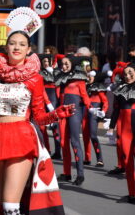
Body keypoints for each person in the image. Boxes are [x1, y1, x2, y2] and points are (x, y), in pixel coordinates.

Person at [0, 29, 74, 214]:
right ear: (6, 47)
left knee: (10, 204)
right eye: (13, 43)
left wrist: (56, 114)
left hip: (20, 138)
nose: (17, 47)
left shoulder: (35, 78)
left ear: (28, 49)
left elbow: (38, 117)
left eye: (22, 44)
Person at [55, 55, 91, 186]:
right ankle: (67, 173)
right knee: (63, 142)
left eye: (66, 64)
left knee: (75, 142)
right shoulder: (60, 79)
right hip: (62, 113)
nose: (63, 67)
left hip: (75, 113)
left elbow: (85, 96)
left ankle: (80, 174)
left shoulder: (79, 79)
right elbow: (58, 99)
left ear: (72, 64)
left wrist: (91, 108)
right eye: (62, 64)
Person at [109, 63, 135, 205]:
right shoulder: (120, 89)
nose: (127, 76)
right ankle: (131, 194)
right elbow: (116, 110)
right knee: (128, 161)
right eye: (125, 74)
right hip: (125, 130)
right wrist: (111, 127)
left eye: (130, 73)